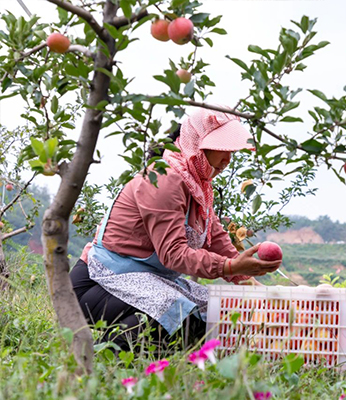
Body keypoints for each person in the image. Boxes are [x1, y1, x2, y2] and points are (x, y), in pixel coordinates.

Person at [70, 108, 282, 352]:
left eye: (231, 152)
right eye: (222, 150)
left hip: (142, 282)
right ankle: (106, 360)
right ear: (197, 145)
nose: (228, 160)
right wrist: (230, 267)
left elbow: (216, 240)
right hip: (99, 284)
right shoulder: (165, 178)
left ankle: (139, 361)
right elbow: (173, 254)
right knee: (177, 315)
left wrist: (249, 281)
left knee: (211, 315)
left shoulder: (197, 186)